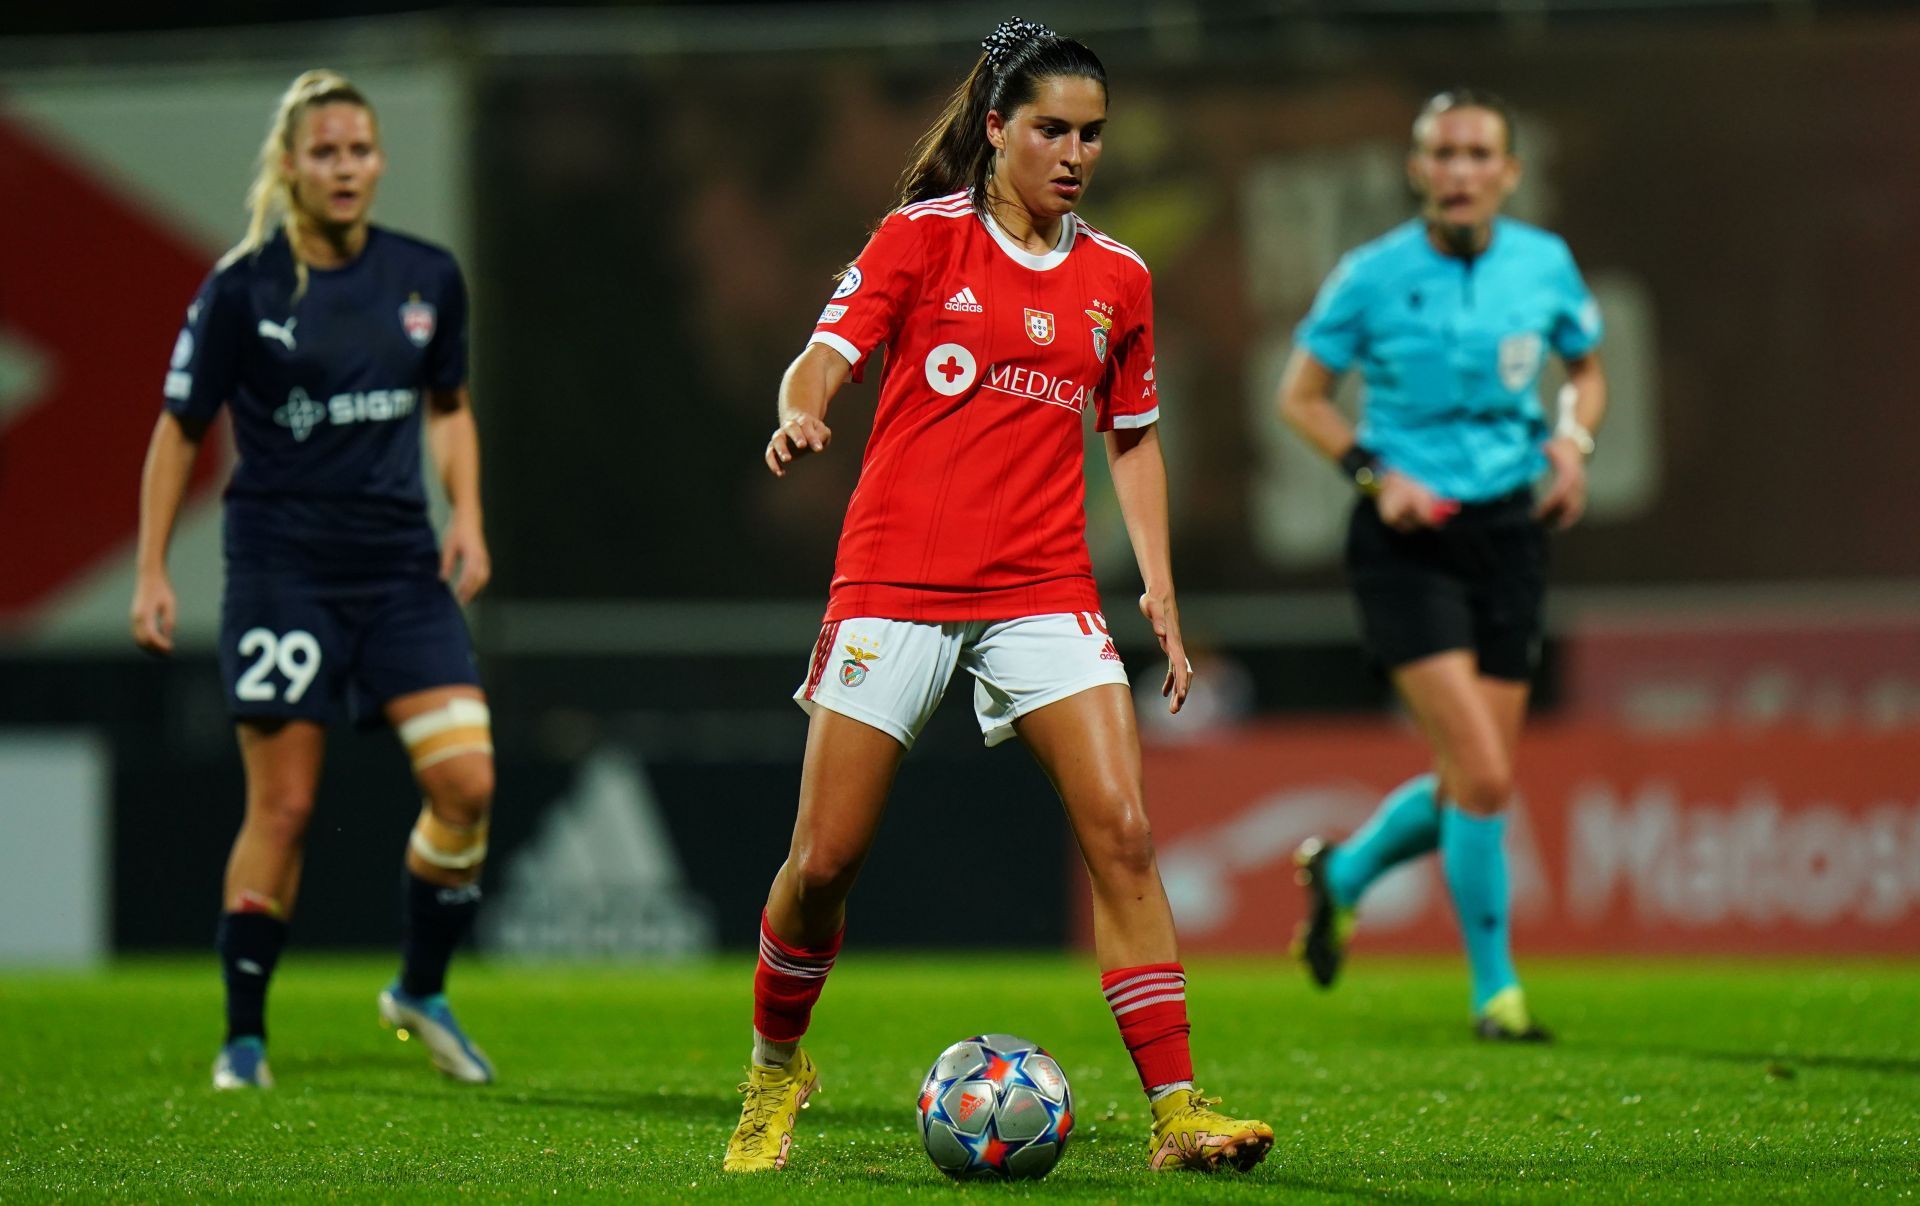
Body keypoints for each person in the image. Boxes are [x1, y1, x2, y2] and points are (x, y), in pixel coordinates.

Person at [723, 16, 1273, 1177]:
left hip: (1042, 590)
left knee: (1124, 833)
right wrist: (804, 405)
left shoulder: (1118, 276)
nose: (1075, 153)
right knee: (824, 861)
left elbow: (1131, 442)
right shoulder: (920, 241)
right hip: (896, 584)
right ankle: (775, 1073)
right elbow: (823, 351)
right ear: (996, 130)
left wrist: (1161, 592)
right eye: (1051, 130)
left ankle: (1178, 1115)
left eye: (1093, 134)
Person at [130, 70, 498, 1089]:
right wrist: (152, 567)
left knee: (468, 782)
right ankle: (243, 1037)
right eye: (324, 152)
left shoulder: (426, 276)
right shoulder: (242, 289)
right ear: (289, 166)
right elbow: (179, 430)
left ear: (378, 161)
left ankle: (418, 990)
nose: (344, 169)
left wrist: (464, 510)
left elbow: (449, 406)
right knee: (284, 808)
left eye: (359, 151)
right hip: (283, 575)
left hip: (397, 571)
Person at [1277, 88, 1608, 1041]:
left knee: (1479, 774)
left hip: (1509, 533)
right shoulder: (1370, 276)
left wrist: (1574, 442)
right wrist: (1377, 476)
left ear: (1507, 171)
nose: (1460, 172)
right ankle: (1496, 993)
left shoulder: (1544, 266)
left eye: (1478, 155)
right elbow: (1300, 396)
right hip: (1406, 545)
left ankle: (1341, 875)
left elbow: (1586, 369)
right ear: (1419, 170)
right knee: (1483, 773)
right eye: (1443, 155)